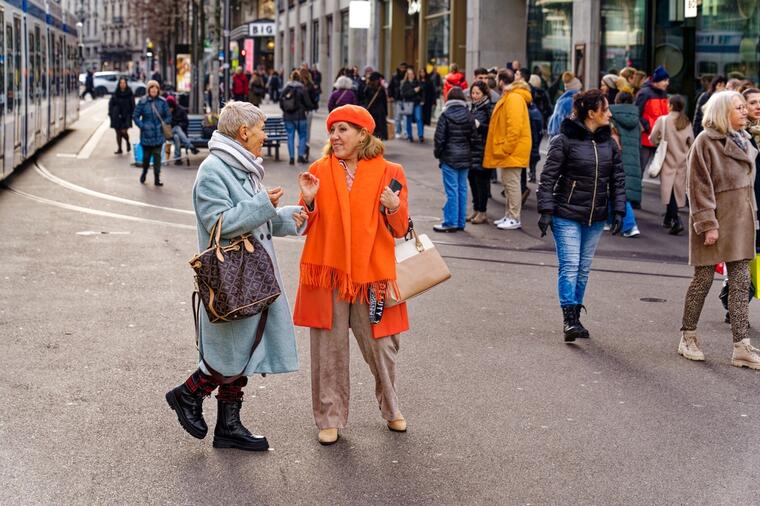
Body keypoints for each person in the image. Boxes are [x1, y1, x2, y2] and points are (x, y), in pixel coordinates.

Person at [165, 101, 308, 451]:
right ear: (243, 132)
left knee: (245, 350)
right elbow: (219, 223)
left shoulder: (242, 167)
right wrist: (263, 206)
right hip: (232, 279)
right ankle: (188, 393)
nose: (264, 135)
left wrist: (296, 213)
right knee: (231, 352)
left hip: (251, 278)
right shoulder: (214, 170)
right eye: (260, 129)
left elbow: (260, 218)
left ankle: (228, 426)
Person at [293, 104, 411, 445]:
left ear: (363, 134)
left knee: (381, 348)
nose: (335, 136)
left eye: (344, 129)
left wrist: (393, 206)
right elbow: (304, 223)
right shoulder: (318, 169)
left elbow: (401, 228)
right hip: (327, 273)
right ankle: (328, 417)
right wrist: (310, 202)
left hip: (372, 275)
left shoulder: (391, 171)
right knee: (327, 350)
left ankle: (391, 409)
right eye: (332, 130)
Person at [678, 91, 760, 369]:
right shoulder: (705, 142)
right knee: (702, 281)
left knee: (740, 283)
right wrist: (707, 224)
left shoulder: (745, 139)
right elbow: (698, 186)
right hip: (714, 222)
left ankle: (741, 346)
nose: (745, 112)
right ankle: (687, 336)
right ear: (723, 112)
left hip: (742, 222)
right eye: (739, 108)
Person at [537, 89, 626, 342]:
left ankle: (575, 314)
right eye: (605, 109)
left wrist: (618, 210)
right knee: (570, 266)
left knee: (583, 269)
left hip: (595, 216)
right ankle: (569, 320)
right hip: (566, 214)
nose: (609, 113)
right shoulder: (564, 140)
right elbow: (548, 178)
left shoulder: (609, 142)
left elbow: (618, 180)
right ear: (591, 113)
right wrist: (545, 211)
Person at [483, 69, 533, 230]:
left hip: (513, 150)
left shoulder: (514, 98)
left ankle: (514, 217)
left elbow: (514, 128)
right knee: (509, 184)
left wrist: (506, 148)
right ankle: (510, 215)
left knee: (512, 184)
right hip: (512, 149)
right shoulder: (512, 97)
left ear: (501, 81)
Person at [649, 95, 694, 235]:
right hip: (682, 160)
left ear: (671, 105)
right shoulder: (686, 122)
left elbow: (652, 138)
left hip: (667, 159)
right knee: (676, 190)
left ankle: (676, 220)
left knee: (669, 191)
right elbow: (692, 142)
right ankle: (669, 219)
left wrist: (658, 142)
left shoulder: (663, 120)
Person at [433, 87, 475, 232]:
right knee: (462, 189)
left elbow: (439, 138)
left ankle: (450, 222)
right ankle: (460, 222)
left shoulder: (445, 115)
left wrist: (438, 154)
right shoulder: (469, 115)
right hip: (465, 157)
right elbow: (474, 137)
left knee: (451, 190)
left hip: (449, 157)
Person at [608, 91, 641, 237]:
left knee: (619, 192)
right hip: (632, 159)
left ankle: (630, 225)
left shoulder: (611, 115)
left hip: (616, 157)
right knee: (617, 190)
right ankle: (609, 221)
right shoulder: (636, 118)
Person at [635, 65, 670, 183]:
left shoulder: (663, 94)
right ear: (657, 81)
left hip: (660, 137)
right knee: (640, 167)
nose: (667, 83)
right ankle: (635, 194)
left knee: (663, 167)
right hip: (646, 138)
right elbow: (636, 113)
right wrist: (647, 126)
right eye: (664, 80)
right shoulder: (644, 93)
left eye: (667, 80)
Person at [133, 80, 171, 186]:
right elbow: (135, 116)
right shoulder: (142, 101)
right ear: (148, 89)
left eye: (156, 88)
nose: (154, 90)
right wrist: (143, 126)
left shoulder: (163, 102)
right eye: (152, 87)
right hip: (146, 135)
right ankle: (144, 172)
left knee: (157, 157)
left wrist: (162, 124)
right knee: (146, 158)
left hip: (158, 134)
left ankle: (157, 178)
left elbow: (168, 116)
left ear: (158, 90)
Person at [468, 81, 493, 224]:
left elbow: (492, 129)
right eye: (473, 93)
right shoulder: (474, 107)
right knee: (472, 181)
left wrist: (480, 126)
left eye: (477, 93)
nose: (475, 96)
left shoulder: (488, 108)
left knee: (481, 183)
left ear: (484, 94)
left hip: (483, 150)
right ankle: (476, 209)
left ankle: (482, 212)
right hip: (472, 150)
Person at [280, 70, 314, 165]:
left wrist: (286, 110)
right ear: (299, 78)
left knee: (290, 136)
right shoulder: (302, 89)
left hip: (288, 117)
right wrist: (308, 108)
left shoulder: (286, 88)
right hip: (300, 117)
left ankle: (291, 158)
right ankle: (300, 156)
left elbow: (281, 102)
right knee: (302, 136)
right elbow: (308, 103)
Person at [166, 95, 200, 165]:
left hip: (182, 133)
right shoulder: (167, 113)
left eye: (171, 108)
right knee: (176, 128)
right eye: (168, 108)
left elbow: (186, 123)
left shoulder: (181, 110)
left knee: (177, 136)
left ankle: (177, 158)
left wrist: (179, 125)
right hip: (170, 133)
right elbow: (167, 123)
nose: (170, 110)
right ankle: (191, 147)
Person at [108, 77, 134, 154]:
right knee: (118, 132)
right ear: (119, 84)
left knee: (123, 132)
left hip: (126, 115)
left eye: (124, 83)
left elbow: (133, 105)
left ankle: (128, 142)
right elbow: (111, 104)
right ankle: (119, 148)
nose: (122, 84)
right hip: (116, 116)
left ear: (126, 84)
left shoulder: (129, 93)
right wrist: (111, 113)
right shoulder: (116, 93)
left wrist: (132, 114)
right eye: (121, 83)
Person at [300, 68, 321, 161]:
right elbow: (314, 98)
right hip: (308, 111)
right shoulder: (311, 86)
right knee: (307, 131)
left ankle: (301, 148)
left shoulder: (298, 85)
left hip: (300, 111)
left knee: (301, 132)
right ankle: (306, 148)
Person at [362, 71, 389, 140]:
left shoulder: (368, 88)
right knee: (378, 126)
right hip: (378, 110)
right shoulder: (377, 89)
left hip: (374, 110)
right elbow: (384, 101)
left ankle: (376, 139)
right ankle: (378, 138)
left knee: (375, 126)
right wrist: (386, 112)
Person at [401, 68, 425, 143]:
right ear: (407, 75)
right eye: (409, 74)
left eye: (412, 74)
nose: (411, 75)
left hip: (417, 103)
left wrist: (422, 100)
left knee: (419, 119)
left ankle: (421, 136)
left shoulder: (417, 82)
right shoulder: (405, 84)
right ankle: (410, 136)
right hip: (409, 104)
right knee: (409, 120)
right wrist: (414, 91)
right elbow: (404, 95)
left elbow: (422, 92)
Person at [388, 63, 407, 139]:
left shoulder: (407, 76)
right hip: (397, 98)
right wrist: (391, 96)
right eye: (401, 67)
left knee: (405, 117)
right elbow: (390, 87)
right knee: (397, 116)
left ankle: (405, 132)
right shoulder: (395, 76)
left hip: (406, 99)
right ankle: (398, 131)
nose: (402, 69)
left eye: (404, 68)